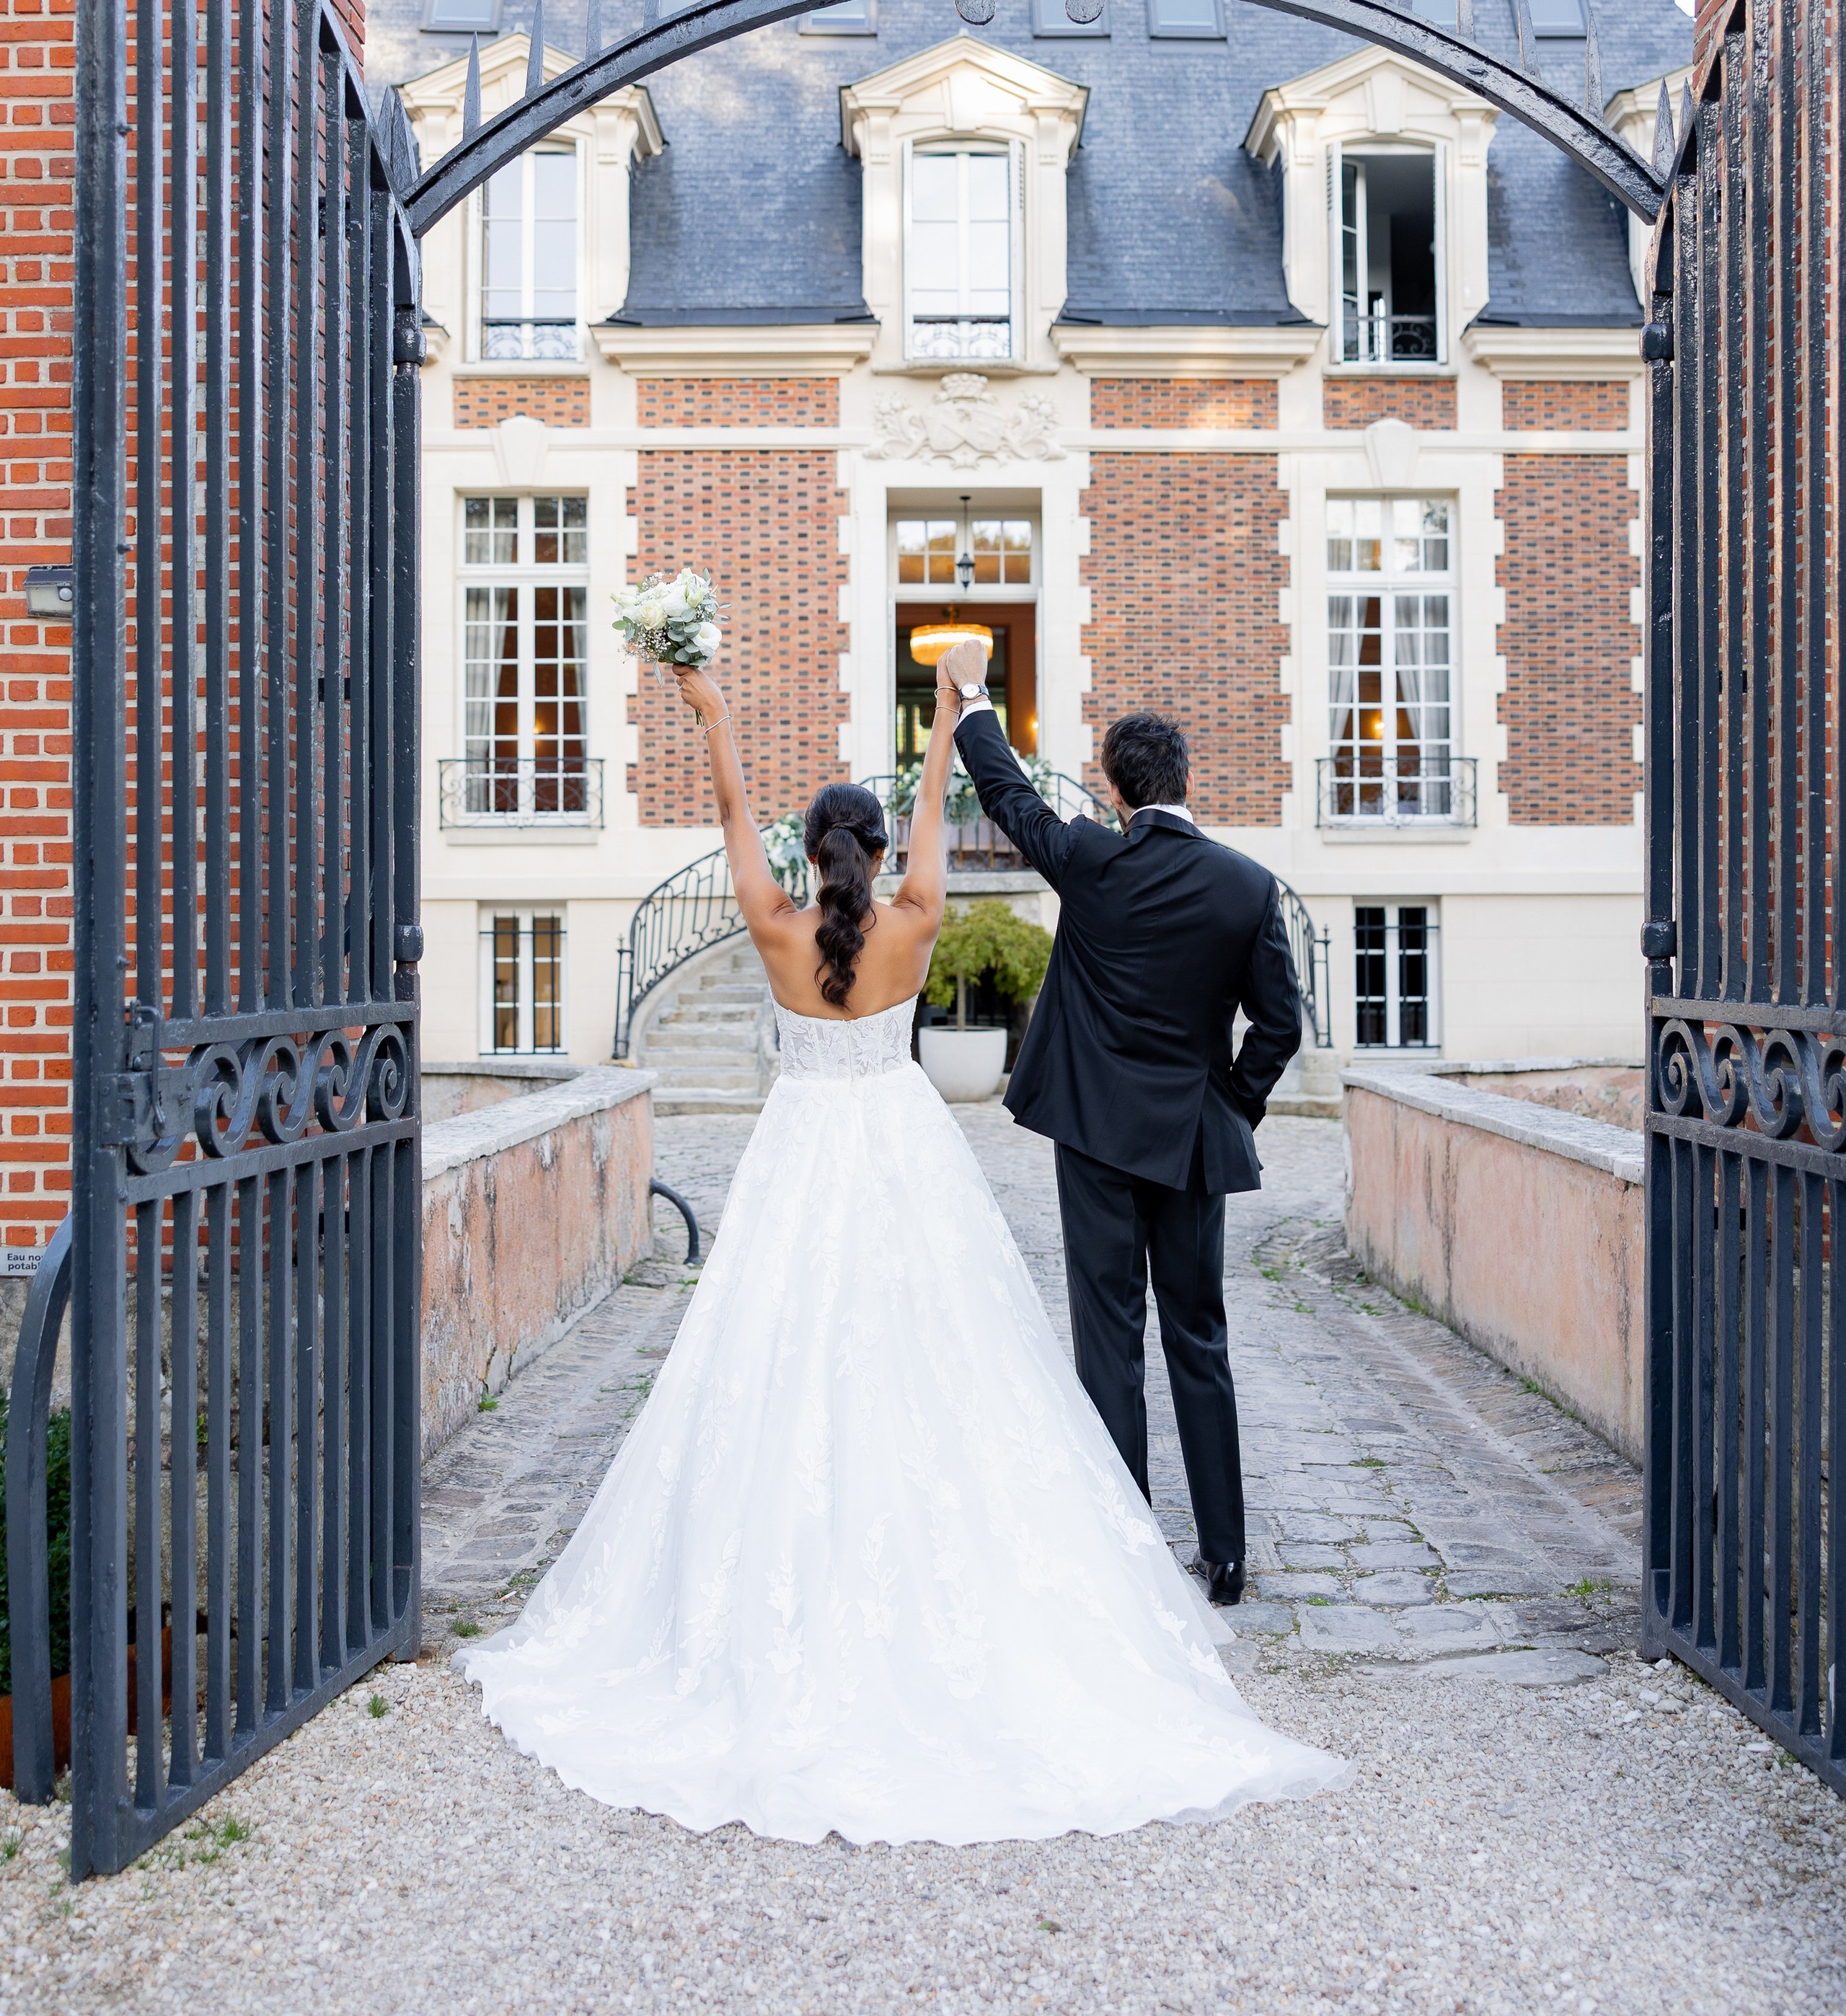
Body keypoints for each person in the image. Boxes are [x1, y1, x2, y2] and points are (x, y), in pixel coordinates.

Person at [460, 648, 1344, 1844]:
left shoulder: (779, 927)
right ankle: (1196, 1555)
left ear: (812, 854)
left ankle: (1090, 1528)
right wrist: (948, 716)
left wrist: (715, 713)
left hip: (842, 1157)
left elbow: (745, 817)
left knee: (809, 1348)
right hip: (1019, 1147)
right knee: (1082, 1346)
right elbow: (961, 822)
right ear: (879, 858)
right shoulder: (944, 919)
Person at [941, 640, 1299, 1608]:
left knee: (1109, 1337)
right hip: (1192, 1144)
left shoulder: (1091, 859)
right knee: (1200, 1337)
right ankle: (1226, 1555)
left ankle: (1126, 1547)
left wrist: (974, 698)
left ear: (1114, 788)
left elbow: (1008, 796)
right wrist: (1231, 1102)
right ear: (1187, 780)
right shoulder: (1247, 886)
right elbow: (1279, 1025)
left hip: (1097, 1137)